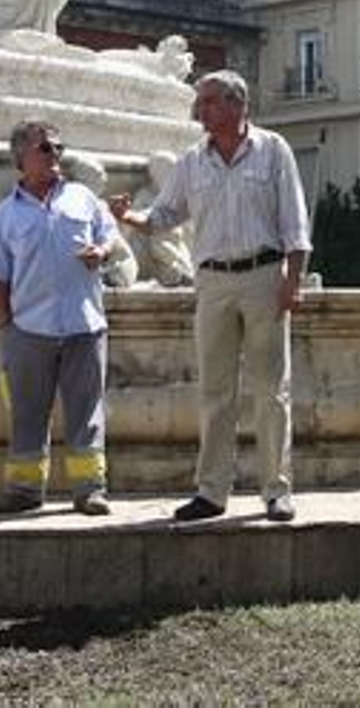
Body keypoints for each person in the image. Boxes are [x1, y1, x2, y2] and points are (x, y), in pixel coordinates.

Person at [110, 70, 312, 523]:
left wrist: (292, 281)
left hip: (263, 274)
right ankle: (211, 492)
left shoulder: (273, 150)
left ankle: (276, 491)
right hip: (212, 282)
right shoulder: (191, 160)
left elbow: (295, 223)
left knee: (270, 391)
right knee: (214, 391)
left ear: (236, 105)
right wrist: (130, 217)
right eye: (200, 103)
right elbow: (165, 215)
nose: (199, 111)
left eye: (207, 102)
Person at [0, 120, 118, 515]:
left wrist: (102, 252)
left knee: (86, 412)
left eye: (59, 147)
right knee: (26, 413)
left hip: (84, 325)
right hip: (28, 329)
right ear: (21, 157)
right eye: (45, 149)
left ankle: (90, 488)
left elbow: (110, 235)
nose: (56, 155)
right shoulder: (6, 214)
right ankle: (23, 490)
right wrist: (8, 326)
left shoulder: (83, 198)